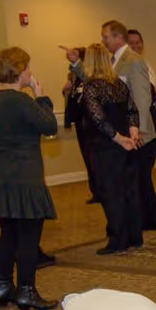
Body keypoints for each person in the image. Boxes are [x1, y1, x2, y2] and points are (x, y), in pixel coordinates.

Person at [0, 47, 59, 310]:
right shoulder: (20, 100)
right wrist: (42, 96)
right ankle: (26, 290)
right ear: (18, 70)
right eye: (27, 67)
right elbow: (49, 126)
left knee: (9, 232)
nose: (30, 72)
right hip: (23, 176)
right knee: (28, 236)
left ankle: (4, 284)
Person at [80, 40, 144, 255]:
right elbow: (132, 110)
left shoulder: (92, 87)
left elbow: (98, 120)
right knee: (129, 191)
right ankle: (134, 236)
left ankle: (117, 240)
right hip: (127, 145)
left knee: (112, 194)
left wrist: (119, 138)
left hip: (106, 148)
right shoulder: (118, 84)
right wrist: (133, 133)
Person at [123, 26, 156, 230]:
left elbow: (148, 96)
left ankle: (150, 217)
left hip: (146, 121)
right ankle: (147, 216)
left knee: (142, 172)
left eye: (139, 42)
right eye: (132, 43)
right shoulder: (130, 64)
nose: (137, 46)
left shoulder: (141, 65)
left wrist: (140, 129)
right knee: (140, 173)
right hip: (140, 121)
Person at [61, 43, 97, 205]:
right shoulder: (74, 78)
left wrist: (76, 63)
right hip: (80, 122)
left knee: (94, 158)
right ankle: (96, 191)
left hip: (91, 123)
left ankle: (102, 191)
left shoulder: (92, 75)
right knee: (88, 158)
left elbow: (87, 79)